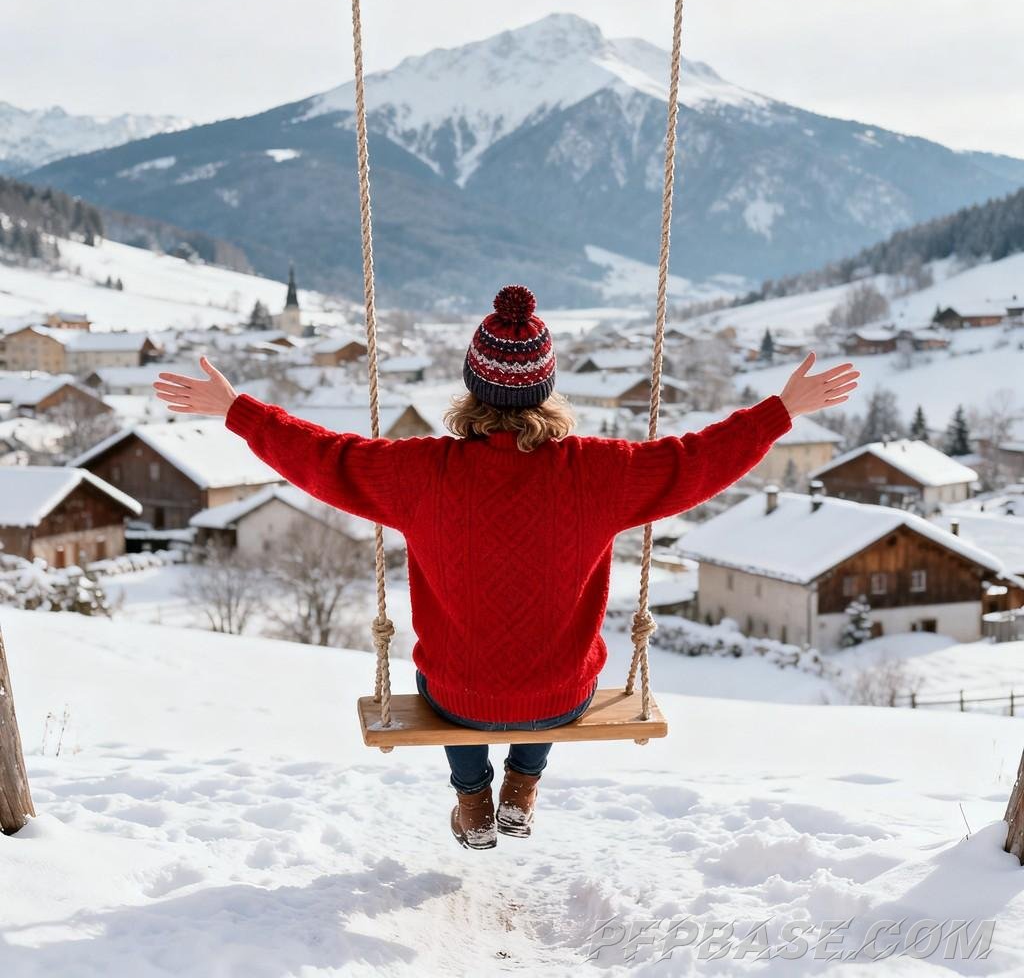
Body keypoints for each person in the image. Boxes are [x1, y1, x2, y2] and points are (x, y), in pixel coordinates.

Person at [153, 284, 859, 851]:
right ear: (546, 390)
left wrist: (237, 410)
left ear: (472, 388)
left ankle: (473, 800)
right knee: (551, 667)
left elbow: (324, 458)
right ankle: (524, 784)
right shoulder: (602, 472)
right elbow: (695, 461)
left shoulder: (421, 471)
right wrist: (779, 411)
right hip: (560, 697)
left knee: (456, 678)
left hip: (458, 694)